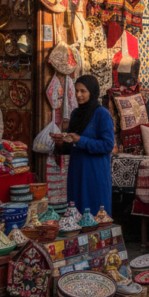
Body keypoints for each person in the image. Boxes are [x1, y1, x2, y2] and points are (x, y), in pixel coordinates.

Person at [53, 75, 115, 215]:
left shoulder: (102, 114)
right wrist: (61, 143)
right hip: (77, 173)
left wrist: (80, 140)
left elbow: (108, 145)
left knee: (94, 215)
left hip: (94, 174)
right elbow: (73, 144)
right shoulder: (76, 113)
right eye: (76, 91)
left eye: (83, 91)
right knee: (76, 214)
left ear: (92, 92)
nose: (78, 95)